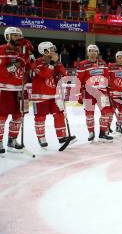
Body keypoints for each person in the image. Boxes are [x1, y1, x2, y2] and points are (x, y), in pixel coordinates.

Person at [31, 41, 75, 147]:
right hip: (40, 95)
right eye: (51, 49)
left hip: (55, 95)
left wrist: (58, 64)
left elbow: (65, 74)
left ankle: (62, 137)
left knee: (59, 115)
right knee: (40, 117)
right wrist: (52, 63)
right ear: (44, 51)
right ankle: (41, 138)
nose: (54, 51)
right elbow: (44, 75)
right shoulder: (36, 63)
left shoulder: (56, 62)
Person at [0, 27, 33, 155]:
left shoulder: (23, 51)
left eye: (19, 36)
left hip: (21, 89)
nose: (18, 38)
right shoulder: (2, 49)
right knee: (2, 117)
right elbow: (2, 72)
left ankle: (12, 141)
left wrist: (29, 54)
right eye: (14, 36)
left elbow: (31, 68)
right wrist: (18, 64)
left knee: (18, 116)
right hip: (6, 88)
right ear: (8, 36)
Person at [77, 44, 113, 142]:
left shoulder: (103, 63)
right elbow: (78, 80)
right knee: (89, 114)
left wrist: (109, 90)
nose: (93, 53)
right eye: (91, 51)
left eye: (95, 51)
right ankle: (91, 132)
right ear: (88, 53)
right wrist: (79, 94)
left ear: (97, 53)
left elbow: (107, 77)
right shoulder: (83, 64)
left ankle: (103, 133)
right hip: (89, 92)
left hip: (102, 92)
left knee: (106, 112)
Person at [108, 51, 122, 133]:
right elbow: (106, 77)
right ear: (116, 58)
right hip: (114, 94)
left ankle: (119, 126)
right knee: (111, 111)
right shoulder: (111, 66)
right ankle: (107, 126)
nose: (121, 59)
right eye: (119, 57)